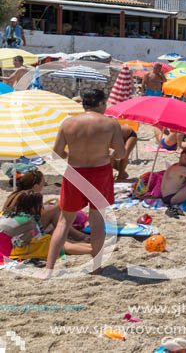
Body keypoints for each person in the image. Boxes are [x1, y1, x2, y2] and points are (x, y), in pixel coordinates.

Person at [44, 88, 125, 274]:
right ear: (100, 104)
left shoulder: (68, 123)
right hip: (99, 173)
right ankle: (96, 268)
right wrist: (110, 153)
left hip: (75, 172)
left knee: (64, 222)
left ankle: (48, 269)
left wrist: (70, 153)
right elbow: (120, 154)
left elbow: (56, 154)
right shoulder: (111, 124)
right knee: (96, 221)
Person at [1, 191, 92, 262]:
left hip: (5, 245)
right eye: (40, 206)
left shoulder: (8, 213)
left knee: (55, 237)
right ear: (33, 207)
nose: (42, 208)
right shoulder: (29, 221)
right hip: (12, 250)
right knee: (57, 244)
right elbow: (39, 238)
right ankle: (93, 249)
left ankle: (90, 245)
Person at [12, 171, 89, 242]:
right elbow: (39, 215)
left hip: (22, 227)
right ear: (36, 186)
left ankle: (75, 238)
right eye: (43, 182)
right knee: (55, 214)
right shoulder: (30, 196)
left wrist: (50, 204)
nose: (44, 184)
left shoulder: (19, 194)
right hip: (26, 231)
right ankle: (78, 236)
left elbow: (33, 211)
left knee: (55, 222)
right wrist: (60, 205)